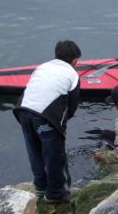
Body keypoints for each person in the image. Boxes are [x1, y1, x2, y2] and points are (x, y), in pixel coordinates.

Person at [13, 40, 81, 204]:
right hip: (45, 118)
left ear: (55, 55)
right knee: (54, 155)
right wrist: (60, 128)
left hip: (22, 111)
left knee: (34, 151)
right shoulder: (73, 75)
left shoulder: (42, 67)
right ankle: (56, 194)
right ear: (75, 61)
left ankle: (41, 186)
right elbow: (72, 107)